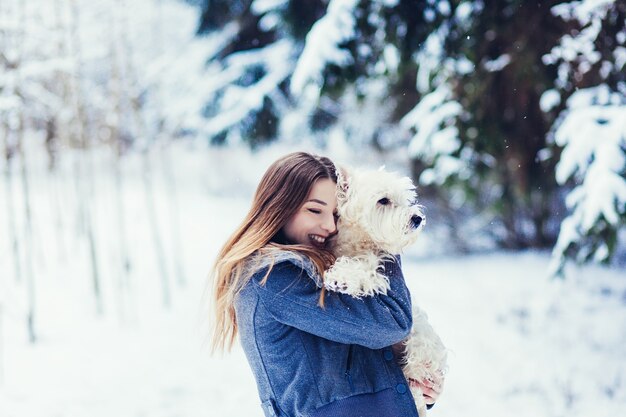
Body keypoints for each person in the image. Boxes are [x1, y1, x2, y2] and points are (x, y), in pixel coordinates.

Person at [210, 152, 442, 417]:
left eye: (335, 214)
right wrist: (383, 242)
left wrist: (416, 387)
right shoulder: (272, 279)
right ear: (280, 207)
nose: (330, 225)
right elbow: (391, 324)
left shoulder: (319, 266)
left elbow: (359, 354)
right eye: (315, 210)